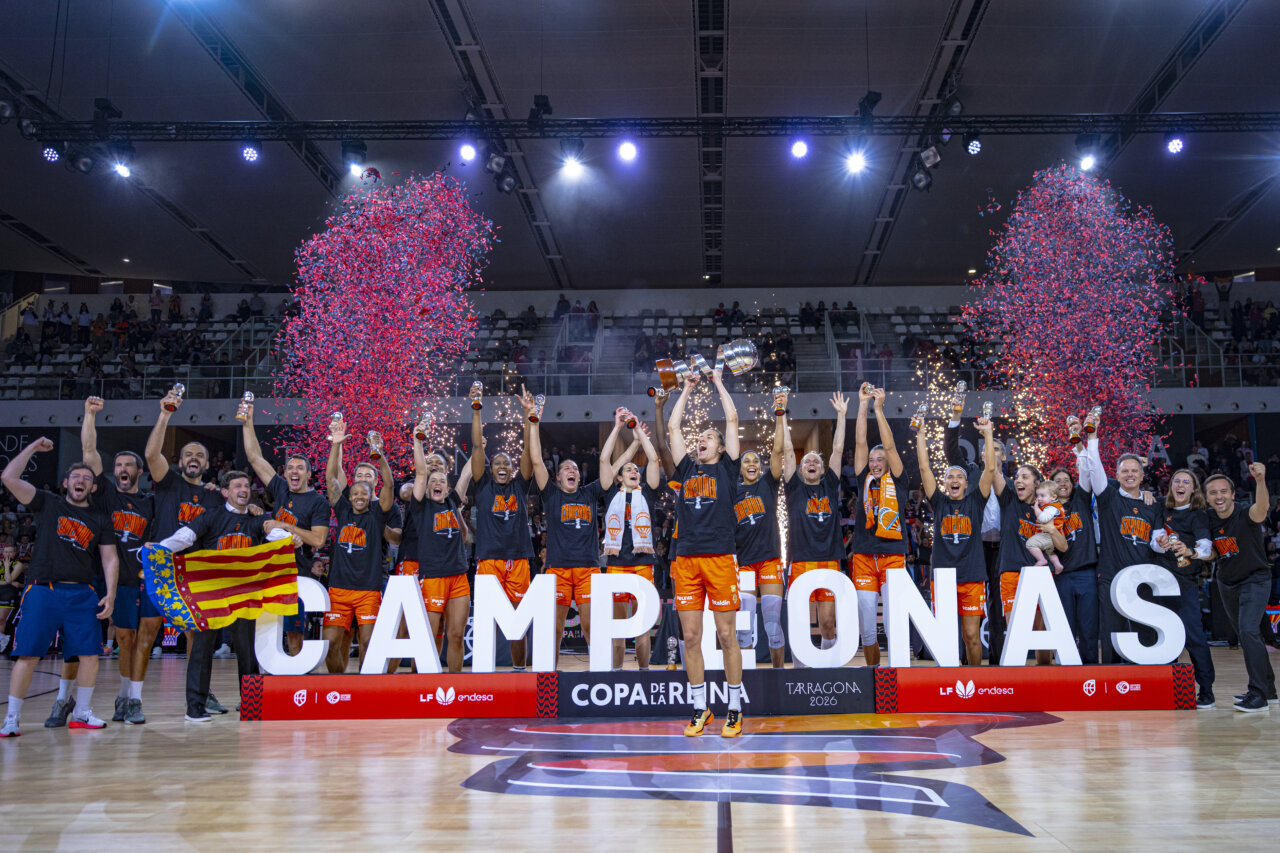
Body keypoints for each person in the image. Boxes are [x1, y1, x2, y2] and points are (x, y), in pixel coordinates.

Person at [1, 439, 119, 737]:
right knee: (28, 655)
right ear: (66, 482)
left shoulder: (100, 519)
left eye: (87, 478)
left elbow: (110, 558)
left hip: (81, 592)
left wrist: (112, 592)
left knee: (90, 655)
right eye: (76, 476)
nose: (81, 480)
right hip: (43, 590)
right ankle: (12, 717)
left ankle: (81, 712)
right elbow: (8, 478)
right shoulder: (48, 503)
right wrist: (31, 449)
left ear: (93, 488)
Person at [155, 471, 290, 722]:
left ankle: (252, 704)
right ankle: (194, 706)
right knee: (201, 650)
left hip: (244, 595)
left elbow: (279, 537)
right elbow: (185, 537)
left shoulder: (256, 519)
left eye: (246, 486)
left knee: (247, 652)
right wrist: (159, 549)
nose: (243, 489)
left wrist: (290, 537)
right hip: (211, 595)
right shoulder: (212, 516)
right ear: (225, 492)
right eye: (237, 485)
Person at [667, 365, 744, 737]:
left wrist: (717, 383)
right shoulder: (685, 470)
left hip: (719, 557)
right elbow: (672, 430)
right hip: (686, 559)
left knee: (727, 636)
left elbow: (730, 417)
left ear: (720, 446)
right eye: (702, 436)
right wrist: (686, 389)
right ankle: (701, 708)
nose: (703, 438)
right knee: (692, 638)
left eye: (709, 436)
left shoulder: (728, 470)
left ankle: (734, 708)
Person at [143, 388, 224, 710]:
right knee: (146, 633)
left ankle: (200, 693)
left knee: (197, 637)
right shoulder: (168, 482)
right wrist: (165, 413)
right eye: (189, 455)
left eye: (200, 456)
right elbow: (151, 455)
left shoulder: (214, 496)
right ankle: (130, 697)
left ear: (207, 464)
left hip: (194, 572)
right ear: (180, 461)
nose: (194, 459)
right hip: (163, 566)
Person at [527, 392, 614, 668]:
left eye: (574, 467)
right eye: (566, 468)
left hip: (588, 569)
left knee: (591, 628)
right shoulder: (552, 495)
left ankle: (599, 678)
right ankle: (548, 677)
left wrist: (618, 428)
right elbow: (537, 460)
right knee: (553, 630)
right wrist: (533, 421)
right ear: (558, 476)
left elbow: (607, 469)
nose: (571, 470)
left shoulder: (589, 494)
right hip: (558, 569)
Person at [81, 396, 154, 725]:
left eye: (129, 466)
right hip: (116, 579)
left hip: (144, 578)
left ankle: (131, 696)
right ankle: (123, 695)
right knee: (125, 638)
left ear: (139, 471)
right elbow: (89, 454)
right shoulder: (108, 493)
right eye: (119, 466)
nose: (123, 470)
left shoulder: (150, 502)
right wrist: (90, 416)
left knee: (144, 639)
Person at [241, 404, 331, 656]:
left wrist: (284, 525)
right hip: (271, 570)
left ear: (309, 475)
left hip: (298, 574)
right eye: (290, 467)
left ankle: (296, 682)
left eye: (300, 468)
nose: (294, 471)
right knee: (266, 630)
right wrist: (248, 422)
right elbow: (255, 458)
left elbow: (319, 539)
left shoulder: (318, 502)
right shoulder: (281, 488)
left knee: (294, 632)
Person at [916, 415, 997, 666]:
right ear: (945, 482)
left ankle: (975, 681)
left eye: (959, 477)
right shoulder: (939, 502)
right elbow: (924, 468)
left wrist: (987, 434)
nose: (954, 480)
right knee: (946, 636)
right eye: (950, 476)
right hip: (943, 576)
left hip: (971, 576)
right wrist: (919, 434)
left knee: (971, 636)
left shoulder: (976, 500)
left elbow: (991, 470)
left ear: (966, 483)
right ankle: (950, 684)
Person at [468, 383, 535, 670]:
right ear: (490, 468)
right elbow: (475, 446)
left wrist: (527, 416)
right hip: (489, 560)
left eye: (506, 462)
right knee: (488, 620)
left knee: (518, 621)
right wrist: (477, 409)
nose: (502, 465)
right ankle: (485, 672)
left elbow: (529, 458)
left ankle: (520, 671)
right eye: (496, 462)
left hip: (518, 559)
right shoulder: (482, 485)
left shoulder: (520, 486)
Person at [322, 419, 393, 673]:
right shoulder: (342, 509)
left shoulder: (378, 511)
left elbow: (390, 484)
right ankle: (340, 689)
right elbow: (331, 478)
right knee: (329, 644)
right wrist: (336, 445)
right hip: (339, 589)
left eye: (364, 493)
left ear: (371, 491)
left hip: (368, 590)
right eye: (355, 493)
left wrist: (381, 456)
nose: (360, 497)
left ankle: (365, 689)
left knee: (368, 643)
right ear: (349, 495)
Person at [785, 392, 849, 660]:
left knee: (827, 624)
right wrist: (781, 415)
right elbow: (788, 451)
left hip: (829, 560)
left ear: (823, 471)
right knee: (800, 624)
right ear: (800, 470)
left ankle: (829, 665)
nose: (811, 463)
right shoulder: (794, 488)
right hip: (800, 561)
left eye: (816, 462)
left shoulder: (829, 485)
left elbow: (837, 450)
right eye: (807, 461)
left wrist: (842, 416)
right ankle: (801, 674)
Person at [1205, 464, 1275, 711]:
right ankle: (1269, 689)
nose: (1219, 496)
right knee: (1248, 636)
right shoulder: (1209, 519)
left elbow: (1262, 509)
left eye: (1223, 491)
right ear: (1207, 497)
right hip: (1227, 582)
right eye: (1213, 493)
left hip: (1255, 579)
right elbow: (1212, 552)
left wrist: (1260, 481)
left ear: (1233, 494)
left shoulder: (1246, 512)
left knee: (1247, 631)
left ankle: (1258, 695)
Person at [993, 447, 1067, 666]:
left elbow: (1062, 547)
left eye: (1025, 477)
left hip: (1040, 577)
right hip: (1011, 573)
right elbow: (993, 470)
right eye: (1016, 477)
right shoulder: (1008, 500)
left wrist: (1052, 529)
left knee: (1041, 635)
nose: (1018, 481)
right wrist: (988, 436)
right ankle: (1015, 688)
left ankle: (1045, 678)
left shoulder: (1051, 509)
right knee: (1015, 632)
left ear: (1037, 483)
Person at [851, 385, 908, 666]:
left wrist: (878, 409)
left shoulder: (898, 479)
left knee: (894, 619)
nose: (874, 463)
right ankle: (874, 672)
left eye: (879, 460)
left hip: (893, 555)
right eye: (872, 460)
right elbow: (861, 443)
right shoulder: (864, 477)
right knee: (867, 625)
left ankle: (897, 674)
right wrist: (862, 405)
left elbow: (889, 446)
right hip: (863, 556)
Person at [1150, 468, 1216, 706]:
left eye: (1186, 482)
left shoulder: (1198, 515)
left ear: (1193, 489)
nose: (1180, 485)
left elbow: (1206, 548)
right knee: (1164, 636)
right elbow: (1155, 541)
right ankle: (1169, 687)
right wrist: (1161, 543)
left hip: (1185, 583)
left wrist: (1192, 551)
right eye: (1176, 480)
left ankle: (1206, 689)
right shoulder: (1161, 507)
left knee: (1193, 636)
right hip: (1160, 583)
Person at [732, 390, 788, 667]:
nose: (752, 464)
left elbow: (778, 450)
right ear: (740, 468)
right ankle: (746, 681)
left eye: (755, 461)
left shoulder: (768, 484)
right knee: (743, 631)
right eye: (746, 461)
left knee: (773, 626)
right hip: (742, 564)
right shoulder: (732, 490)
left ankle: (778, 676)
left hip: (768, 560)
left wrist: (779, 414)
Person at [600, 421, 662, 670]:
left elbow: (654, 460)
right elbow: (605, 460)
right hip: (616, 565)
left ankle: (644, 673)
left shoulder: (646, 493)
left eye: (636, 468)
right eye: (628, 469)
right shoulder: (609, 494)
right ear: (619, 477)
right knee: (618, 627)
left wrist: (639, 437)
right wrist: (616, 428)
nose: (633, 470)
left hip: (642, 564)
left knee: (641, 626)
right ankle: (616, 674)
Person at [409, 439, 471, 672]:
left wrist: (478, 447)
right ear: (426, 487)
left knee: (456, 635)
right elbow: (421, 472)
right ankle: (420, 684)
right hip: (433, 577)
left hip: (458, 577)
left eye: (442, 481)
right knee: (428, 636)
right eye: (432, 481)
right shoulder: (420, 506)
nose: (437, 484)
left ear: (447, 488)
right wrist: (418, 441)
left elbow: (466, 474)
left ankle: (454, 683)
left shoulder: (453, 502)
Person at [1050, 450, 1100, 665]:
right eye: (1057, 481)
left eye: (1066, 480)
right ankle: (1065, 675)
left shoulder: (1081, 498)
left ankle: (1090, 673)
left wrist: (1080, 448)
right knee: (1065, 629)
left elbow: (1086, 473)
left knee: (1089, 628)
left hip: (1086, 573)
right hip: (1061, 576)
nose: (1062, 483)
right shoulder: (1047, 509)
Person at [0, 543, 23, 655]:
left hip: (8, 594)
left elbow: (9, 579)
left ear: (15, 553)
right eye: (6, 551)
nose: (8, 554)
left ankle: (1, 645)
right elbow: (8, 582)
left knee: (1, 619)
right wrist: (6, 582)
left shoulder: (18, 564)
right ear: (2, 553)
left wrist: (6, 566)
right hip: (1, 590)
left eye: (10, 552)